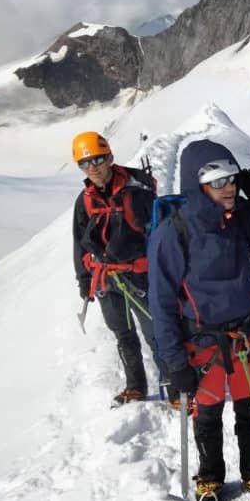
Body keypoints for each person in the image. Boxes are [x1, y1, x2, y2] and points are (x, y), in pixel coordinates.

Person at [148, 140, 250, 501]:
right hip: (201, 344)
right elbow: (162, 304)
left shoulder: (241, 219)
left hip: (244, 337)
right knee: (208, 414)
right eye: (219, 182)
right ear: (198, 185)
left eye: (232, 179)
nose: (230, 188)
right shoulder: (173, 232)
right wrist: (174, 365)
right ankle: (210, 477)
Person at [72, 131, 175, 404]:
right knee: (123, 334)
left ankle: (175, 387)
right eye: (85, 163)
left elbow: (159, 233)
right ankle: (136, 386)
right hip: (105, 278)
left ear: (110, 157)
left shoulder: (137, 192)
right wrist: (84, 280)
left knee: (157, 333)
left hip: (139, 274)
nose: (93, 167)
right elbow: (79, 243)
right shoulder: (84, 201)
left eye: (98, 159)